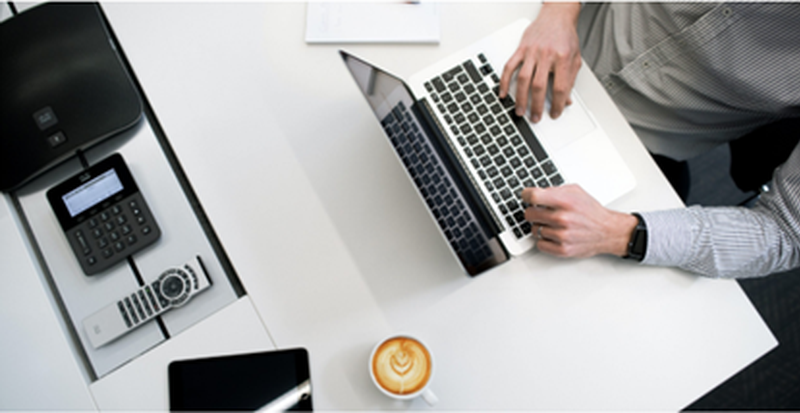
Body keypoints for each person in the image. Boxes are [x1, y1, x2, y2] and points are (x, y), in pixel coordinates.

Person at [498, 3, 800, 278]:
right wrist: (559, 13)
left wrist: (616, 233)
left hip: (634, 149)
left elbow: (786, 234)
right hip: (547, 31)